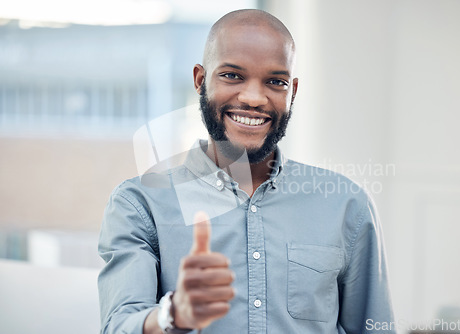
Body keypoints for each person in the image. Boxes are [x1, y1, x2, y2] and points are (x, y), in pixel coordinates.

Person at [98, 8, 395, 334]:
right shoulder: (139, 204)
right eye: (232, 75)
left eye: (275, 82)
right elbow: (119, 325)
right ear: (200, 80)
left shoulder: (346, 205)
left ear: (292, 92)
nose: (253, 98)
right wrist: (174, 315)